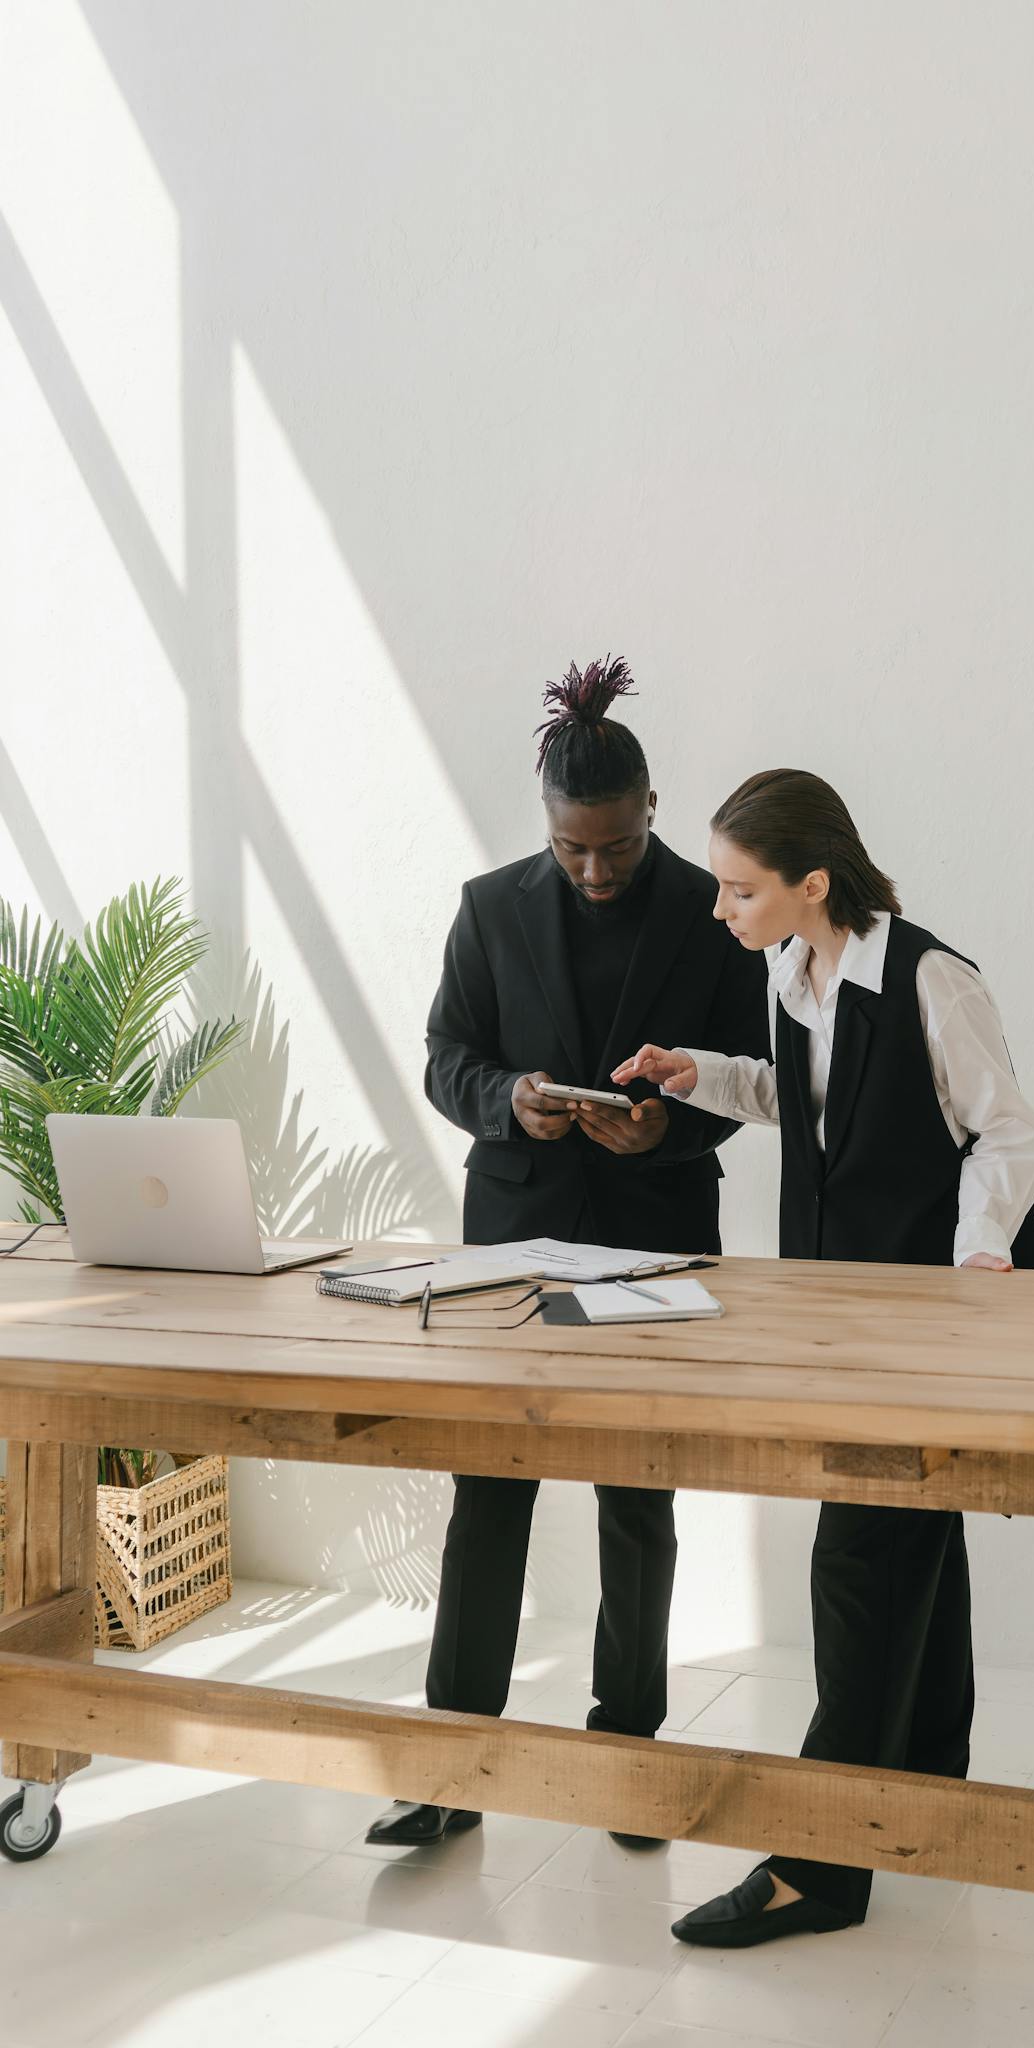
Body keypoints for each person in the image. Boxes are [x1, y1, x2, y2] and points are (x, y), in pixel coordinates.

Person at [612, 767, 1034, 1942]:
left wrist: (971, 1264)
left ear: (813, 882)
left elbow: (1009, 1131)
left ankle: (822, 1862)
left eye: (737, 887)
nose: (719, 908)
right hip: (839, 1313)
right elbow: (799, 1100)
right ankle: (922, 1783)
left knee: (858, 1557)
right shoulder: (790, 972)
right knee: (911, 1531)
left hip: (930, 1314)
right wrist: (693, 1072)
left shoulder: (930, 977)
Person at [366, 659, 769, 1849]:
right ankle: (449, 1763)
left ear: (649, 807)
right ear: (545, 821)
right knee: (487, 1491)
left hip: (654, 1238)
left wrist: (663, 1123)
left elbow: (750, 1073)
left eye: (614, 847)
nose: (594, 869)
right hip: (511, 1240)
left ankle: (629, 1750)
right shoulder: (489, 907)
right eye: (571, 848)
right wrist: (508, 1100)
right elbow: (447, 1054)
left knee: (636, 1496)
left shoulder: (711, 910)